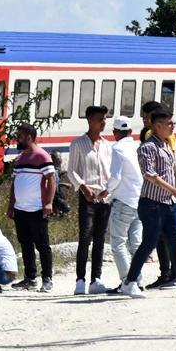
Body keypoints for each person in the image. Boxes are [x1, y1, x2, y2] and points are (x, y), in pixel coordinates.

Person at [120, 109, 176, 298]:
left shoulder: (167, 145)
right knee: (149, 242)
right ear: (157, 125)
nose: (172, 126)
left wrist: (173, 194)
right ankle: (129, 282)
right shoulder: (147, 147)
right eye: (169, 123)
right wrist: (173, 190)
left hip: (170, 203)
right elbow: (150, 175)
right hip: (152, 203)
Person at [67, 105, 112, 295]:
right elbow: (72, 171)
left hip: (105, 198)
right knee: (85, 236)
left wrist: (108, 190)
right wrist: (83, 187)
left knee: (100, 238)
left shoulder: (108, 145)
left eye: (104, 119)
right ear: (90, 121)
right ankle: (80, 279)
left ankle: (96, 279)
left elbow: (110, 172)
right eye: (100, 119)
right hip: (87, 196)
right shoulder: (78, 144)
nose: (103, 123)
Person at [97, 116, 144, 294]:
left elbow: (115, 177)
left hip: (123, 201)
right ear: (130, 132)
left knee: (117, 243)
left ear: (115, 133)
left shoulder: (117, 149)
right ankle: (138, 280)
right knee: (136, 244)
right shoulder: (137, 146)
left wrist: (105, 191)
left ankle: (127, 281)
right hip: (139, 200)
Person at [8, 123, 56, 293]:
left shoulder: (42, 156)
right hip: (20, 209)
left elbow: (51, 180)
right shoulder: (20, 158)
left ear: (29, 137)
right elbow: (15, 183)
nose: (17, 139)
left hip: (37, 209)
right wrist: (11, 205)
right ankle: (30, 278)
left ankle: (47, 279)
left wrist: (49, 203)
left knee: (42, 245)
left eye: (19, 136)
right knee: (25, 244)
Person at [140, 101, 176, 290]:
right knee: (169, 235)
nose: (144, 119)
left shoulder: (150, 137)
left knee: (160, 236)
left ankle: (167, 273)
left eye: (146, 116)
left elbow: (152, 170)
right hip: (166, 192)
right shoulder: (165, 137)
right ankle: (174, 272)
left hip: (158, 195)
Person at [50, 150, 71, 216]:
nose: (61, 159)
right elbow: (52, 184)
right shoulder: (52, 170)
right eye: (59, 158)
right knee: (66, 208)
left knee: (59, 212)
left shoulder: (57, 169)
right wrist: (64, 184)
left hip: (58, 194)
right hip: (54, 195)